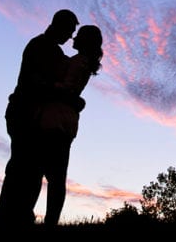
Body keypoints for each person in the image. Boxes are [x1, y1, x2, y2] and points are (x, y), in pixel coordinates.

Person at [0, 8, 80, 227]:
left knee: (32, 171)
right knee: (21, 169)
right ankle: (8, 219)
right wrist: (69, 98)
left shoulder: (54, 51)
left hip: (33, 116)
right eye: (69, 31)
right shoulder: (40, 46)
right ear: (58, 25)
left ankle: (19, 218)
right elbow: (36, 83)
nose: (70, 37)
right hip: (23, 114)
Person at [37, 24, 103, 226]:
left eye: (79, 35)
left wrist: (45, 85)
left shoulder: (78, 61)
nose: (73, 37)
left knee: (53, 176)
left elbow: (67, 89)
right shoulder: (81, 62)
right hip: (65, 121)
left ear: (85, 41)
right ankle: (51, 222)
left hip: (56, 120)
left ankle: (50, 222)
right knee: (56, 176)